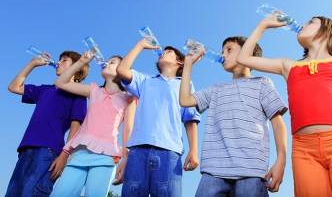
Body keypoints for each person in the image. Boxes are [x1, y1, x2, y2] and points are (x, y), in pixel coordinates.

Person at [236, 15, 332, 196]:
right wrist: (263, 25)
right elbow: (243, 58)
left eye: (311, 22)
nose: (303, 24)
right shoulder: (288, 65)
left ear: (328, 31)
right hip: (303, 149)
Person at [179, 36, 288, 196]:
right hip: (213, 172)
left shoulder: (262, 83)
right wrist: (188, 65)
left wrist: (281, 160)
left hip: (251, 171)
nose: (223, 55)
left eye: (229, 50)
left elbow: (278, 123)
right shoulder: (216, 89)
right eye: (222, 51)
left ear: (247, 52)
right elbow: (185, 99)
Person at [116, 38, 201, 197]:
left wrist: (194, 150)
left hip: (170, 153)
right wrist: (140, 44)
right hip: (138, 150)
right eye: (163, 51)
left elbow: (190, 119)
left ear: (180, 62)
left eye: (169, 52)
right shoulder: (145, 81)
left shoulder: (185, 84)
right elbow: (121, 70)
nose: (163, 52)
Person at [50, 52, 137, 197]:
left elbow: (128, 130)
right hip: (79, 153)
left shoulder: (129, 98)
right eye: (107, 61)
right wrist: (81, 62)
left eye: (113, 62)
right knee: (60, 193)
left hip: (106, 156)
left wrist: (125, 159)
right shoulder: (94, 89)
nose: (107, 63)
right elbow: (60, 83)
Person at [6, 50, 89, 197]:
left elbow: (76, 126)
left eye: (64, 60)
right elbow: (14, 87)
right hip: (25, 149)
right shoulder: (45, 89)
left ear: (76, 68)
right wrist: (32, 64)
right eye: (59, 60)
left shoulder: (78, 94)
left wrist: (65, 155)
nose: (58, 62)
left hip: (47, 152)